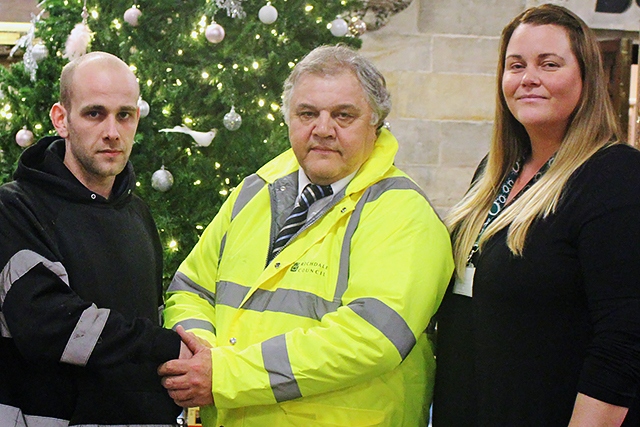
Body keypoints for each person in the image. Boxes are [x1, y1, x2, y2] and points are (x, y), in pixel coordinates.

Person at [158, 44, 454, 427]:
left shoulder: (403, 211)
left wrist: (228, 375)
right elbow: (190, 290)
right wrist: (204, 355)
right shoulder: (254, 192)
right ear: (289, 120)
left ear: (376, 123)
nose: (323, 129)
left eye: (343, 115)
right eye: (308, 113)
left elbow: (370, 339)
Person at [432, 4, 640, 426]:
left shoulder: (615, 176)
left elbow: (625, 340)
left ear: (586, 77)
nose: (528, 78)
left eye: (549, 64)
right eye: (516, 65)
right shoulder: (494, 171)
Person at [0, 52, 188, 426]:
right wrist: (169, 347)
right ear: (61, 119)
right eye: (94, 113)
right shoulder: (14, 207)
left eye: (125, 115)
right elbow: (48, 325)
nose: (112, 132)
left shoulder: (138, 213)